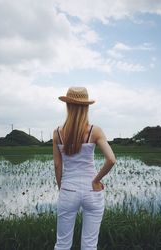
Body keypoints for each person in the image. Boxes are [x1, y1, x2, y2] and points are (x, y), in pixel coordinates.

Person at [53, 87, 116, 250]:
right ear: (86, 107)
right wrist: (96, 180)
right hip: (92, 191)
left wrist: (63, 189)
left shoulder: (57, 132)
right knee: (89, 245)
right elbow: (111, 159)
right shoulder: (95, 131)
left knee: (62, 244)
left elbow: (58, 165)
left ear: (68, 105)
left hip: (68, 189)